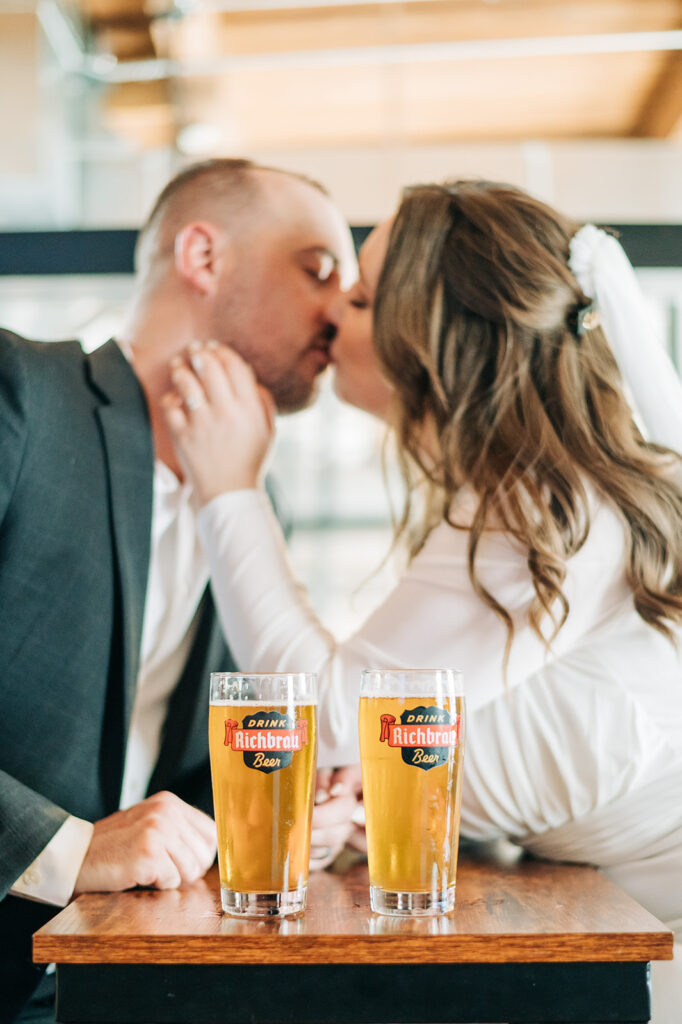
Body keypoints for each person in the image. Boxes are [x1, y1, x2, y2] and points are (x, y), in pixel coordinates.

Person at [163, 179, 682, 1022]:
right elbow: (403, 723)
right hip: (587, 942)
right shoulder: (519, 495)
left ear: (432, 339)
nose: (334, 315)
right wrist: (360, 796)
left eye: (362, 296)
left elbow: (335, 711)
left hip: (651, 959)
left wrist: (230, 491)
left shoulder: (544, 511)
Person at [0, 157, 360, 1024]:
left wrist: (281, 800)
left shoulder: (245, 503)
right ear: (203, 256)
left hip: (121, 981)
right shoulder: (18, 393)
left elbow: (180, 770)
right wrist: (67, 846)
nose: (342, 313)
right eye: (318, 270)